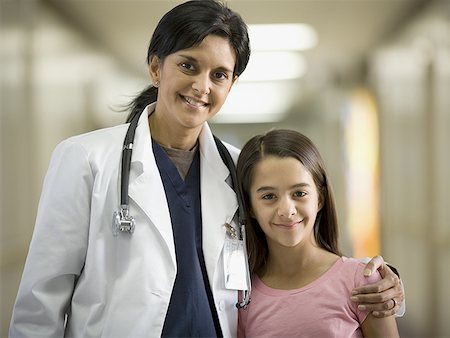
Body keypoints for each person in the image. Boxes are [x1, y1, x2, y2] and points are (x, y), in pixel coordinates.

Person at [9, 1, 403, 337]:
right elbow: (42, 296)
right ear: (156, 68)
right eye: (188, 65)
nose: (202, 86)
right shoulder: (86, 158)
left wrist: (381, 284)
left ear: (231, 85)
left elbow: (288, 252)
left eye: (220, 75)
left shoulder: (240, 166)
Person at [236, 129, 400, 337]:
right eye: (269, 196)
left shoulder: (363, 282)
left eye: (299, 193)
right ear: (250, 206)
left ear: (320, 199)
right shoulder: (243, 297)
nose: (287, 210)